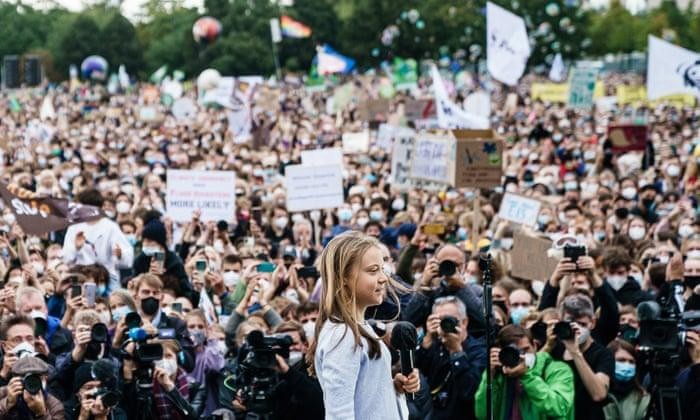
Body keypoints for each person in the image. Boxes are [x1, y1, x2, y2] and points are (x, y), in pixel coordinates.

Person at [308, 232, 420, 419]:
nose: (383, 278)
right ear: (343, 276)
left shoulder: (358, 327)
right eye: (372, 270)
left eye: (382, 269)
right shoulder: (342, 334)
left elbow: (365, 400)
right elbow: (340, 414)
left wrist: (393, 388)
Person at [475, 325, 574, 420]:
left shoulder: (558, 370)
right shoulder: (500, 376)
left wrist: (527, 376)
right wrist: (489, 376)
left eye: (526, 350)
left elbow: (560, 407)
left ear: (535, 346)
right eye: (515, 352)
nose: (522, 356)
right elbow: (482, 414)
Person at [543, 294, 615, 420]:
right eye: (570, 323)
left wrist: (575, 352)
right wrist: (548, 345)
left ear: (592, 323)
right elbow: (530, 375)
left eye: (582, 324)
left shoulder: (603, 354)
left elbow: (599, 394)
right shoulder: (555, 349)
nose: (576, 329)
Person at [416, 295, 487, 420]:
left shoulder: (478, 351)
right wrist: (426, 342)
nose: (445, 324)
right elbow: (415, 375)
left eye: (449, 319)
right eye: (440, 320)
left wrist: (456, 352)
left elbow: (469, 391)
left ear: (464, 322)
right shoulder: (434, 346)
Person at [62, 189, 134, 291]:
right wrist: (76, 248)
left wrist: (120, 254)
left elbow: (127, 259)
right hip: (82, 278)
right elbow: (66, 258)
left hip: (106, 280)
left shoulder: (110, 227)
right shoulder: (75, 227)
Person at [125, 274, 195, 372]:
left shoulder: (176, 324)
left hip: (168, 381)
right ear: (136, 296)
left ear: (161, 297)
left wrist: (160, 336)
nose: (151, 296)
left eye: (155, 293)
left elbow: (189, 364)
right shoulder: (128, 323)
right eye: (146, 292)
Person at [132, 219, 193, 303]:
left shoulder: (175, 262)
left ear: (160, 243)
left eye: (149, 241)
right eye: (144, 241)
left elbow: (186, 292)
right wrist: (148, 276)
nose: (145, 244)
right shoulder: (140, 260)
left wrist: (165, 277)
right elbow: (133, 286)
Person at [0, 355, 64, 419]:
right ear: (14, 379)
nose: (30, 383)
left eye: (35, 379)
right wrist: (8, 403)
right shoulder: (2, 394)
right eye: (25, 378)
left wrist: (41, 413)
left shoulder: (54, 405)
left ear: (45, 378)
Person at [602, 339, 650, 420]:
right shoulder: (598, 393)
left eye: (631, 362)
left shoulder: (642, 398)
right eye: (621, 360)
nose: (627, 365)